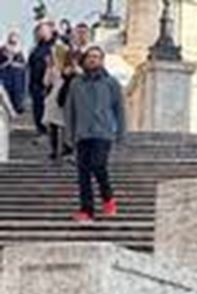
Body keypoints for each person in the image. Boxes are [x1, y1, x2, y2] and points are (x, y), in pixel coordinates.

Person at [64, 46, 125, 222]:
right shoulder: (76, 83)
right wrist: (69, 135)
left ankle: (108, 197)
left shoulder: (111, 83)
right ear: (84, 60)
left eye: (97, 57)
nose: (93, 59)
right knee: (83, 173)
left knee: (98, 165)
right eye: (90, 56)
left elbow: (119, 109)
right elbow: (70, 110)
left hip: (103, 133)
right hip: (82, 133)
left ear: (102, 61)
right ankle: (86, 210)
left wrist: (121, 132)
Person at [28, 21, 57, 136]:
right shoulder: (35, 48)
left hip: (50, 83)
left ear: (50, 31)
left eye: (43, 30)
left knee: (49, 109)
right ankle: (41, 130)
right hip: (36, 83)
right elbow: (30, 66)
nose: (41, 33)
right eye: (39, 31)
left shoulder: (55, 45)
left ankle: (49, 131)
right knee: (38, 108)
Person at [0, 31, 27, 114]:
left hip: (17, 78)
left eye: (15, 41)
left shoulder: (20, 52)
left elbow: (23, 65)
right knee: (6, 97)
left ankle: (18, 107)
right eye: (11, 41)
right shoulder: (2, 50)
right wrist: (8, 61)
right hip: (5, 77)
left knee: (18, 95)